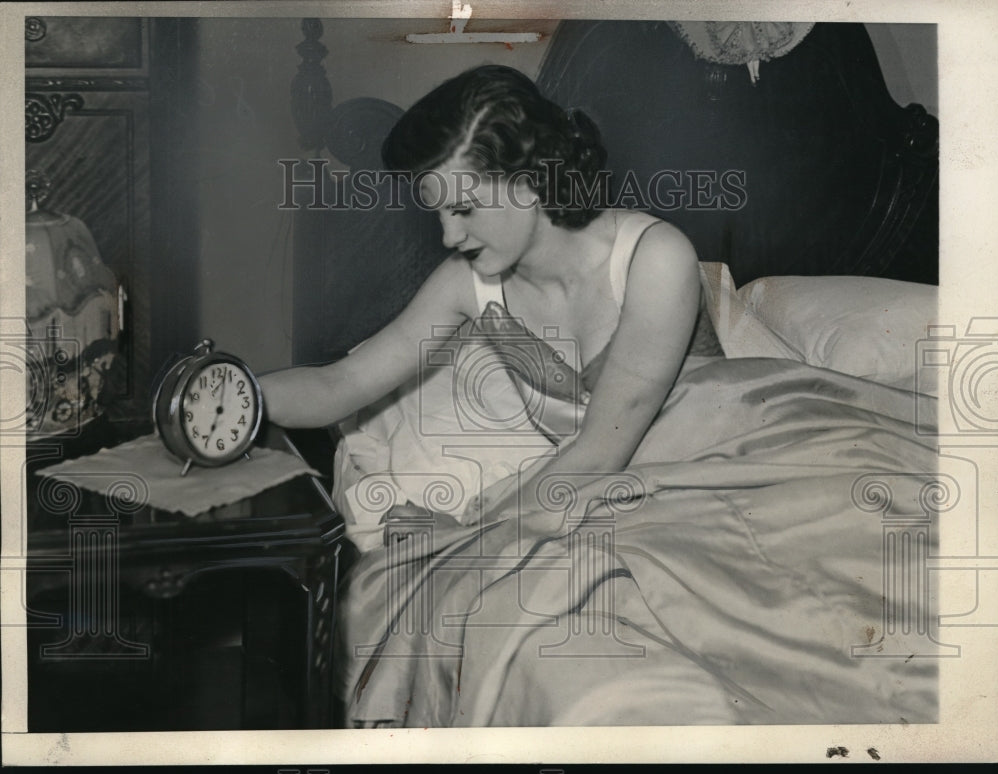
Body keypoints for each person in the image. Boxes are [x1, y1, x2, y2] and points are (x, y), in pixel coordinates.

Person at [259, 64, 701, 523]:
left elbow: (598, 454)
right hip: (579, 495)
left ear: (529, 183)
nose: (449, 235)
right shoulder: (466, 281)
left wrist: (467, 532)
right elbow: (342, 384)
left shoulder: (656, 257)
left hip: (705, 478)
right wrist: (232, 396)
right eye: (440, 214)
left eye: (464, 209)